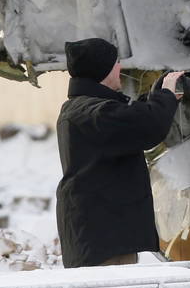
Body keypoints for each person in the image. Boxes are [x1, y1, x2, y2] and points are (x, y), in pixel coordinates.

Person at [56, 38, 182, 268]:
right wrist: (165, 95)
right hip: (104, 240)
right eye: (115, 62)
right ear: (102, 69)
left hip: (101, 236)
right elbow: (149, 127)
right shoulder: (93, 113)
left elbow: (131, 121)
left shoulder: (84, 109)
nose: (120, 67)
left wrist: (156, 99)